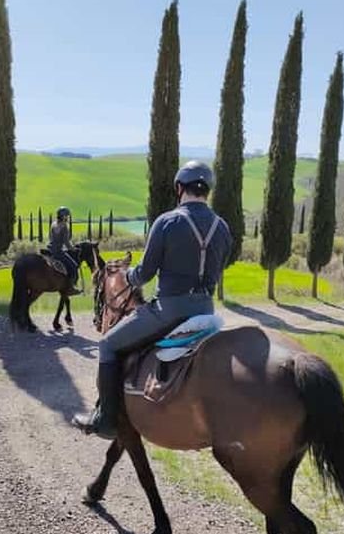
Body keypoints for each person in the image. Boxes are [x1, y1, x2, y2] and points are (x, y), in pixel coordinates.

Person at [72, 161, 232, 439]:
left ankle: (106, 420)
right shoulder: (223, 227)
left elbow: (145, 273)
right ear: (207, 190)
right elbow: (219, 269)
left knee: (108, 344)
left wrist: (128, 277)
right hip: (206, 310)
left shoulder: (168, 221)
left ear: (179, 188)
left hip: (169, 310)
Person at [48, 206, 81, 296]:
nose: (67, 218)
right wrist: (73, 249)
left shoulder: (53, 224)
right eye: (66, 216)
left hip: (49, 249)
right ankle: (70, 288)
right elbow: (66, 242)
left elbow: (51, 238)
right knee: (73, 266)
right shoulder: (64, 226)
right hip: (58, 251)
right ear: (63, 216)